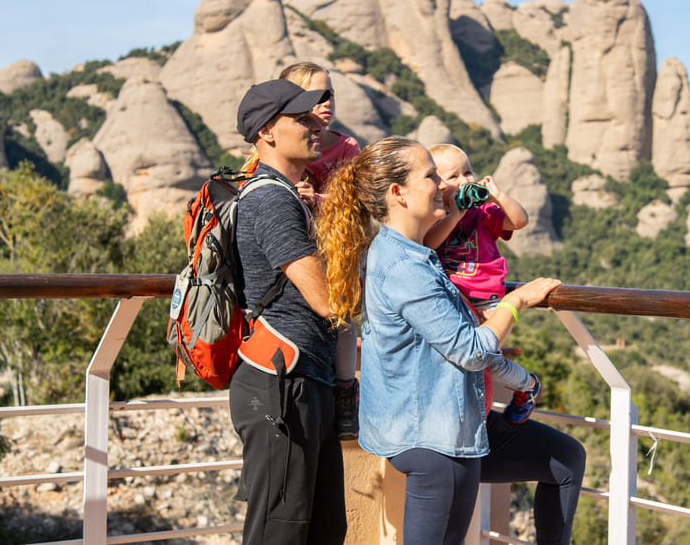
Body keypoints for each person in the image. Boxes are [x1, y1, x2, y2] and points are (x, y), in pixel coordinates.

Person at [315, 136, 586, 545]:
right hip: (432, 439)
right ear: (398, 194)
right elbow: (471, 351)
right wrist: (515, 301)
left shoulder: (410, 252)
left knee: (566, 458)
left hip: (451, 422)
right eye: (432, 175)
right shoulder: (406, 266)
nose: (443, 184)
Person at [229, 79, 346, 545]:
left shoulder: (283, 193)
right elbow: (324, 298)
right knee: (280, 532)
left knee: (320, 529)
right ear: (267, 133)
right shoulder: (271, 198)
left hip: (301, 379)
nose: (315, 123)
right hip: (281, 385)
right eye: (299, 118)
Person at [425, 143, 540, 418]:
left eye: (468, 172)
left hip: (485, 299)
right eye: (453, 176)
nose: (464, 180)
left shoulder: (484, 213)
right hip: (450, 299)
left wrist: (497, 196)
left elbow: (519, 220)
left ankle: (528, 385)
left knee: (487, 358)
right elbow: (430, 243)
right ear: (437, 184)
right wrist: (454, 214)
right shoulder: (435, 217)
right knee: (454, 357)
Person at [278, 61, 361, 440]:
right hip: (290, 251)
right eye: (317, 96)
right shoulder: (277, 143)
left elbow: (356, 204)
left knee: (342, 319)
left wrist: (318, 199)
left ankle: (346, 394)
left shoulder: (346, 147)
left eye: (330, 95)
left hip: (333, 250)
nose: (327, 102)